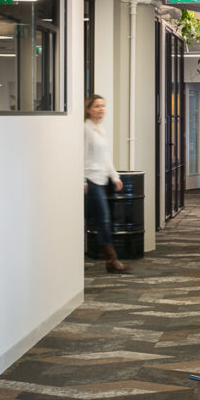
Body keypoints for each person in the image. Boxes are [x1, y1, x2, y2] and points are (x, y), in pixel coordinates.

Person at [84, 94, 127, 273]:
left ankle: (110, 260)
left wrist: (114, 176)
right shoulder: (85, 129)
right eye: (96, 106)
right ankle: (112, 260)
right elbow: (81, 155)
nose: (101, 109)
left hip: (101, 179)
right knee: (103, 219)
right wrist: (81, 179)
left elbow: (105, 156)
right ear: (88, 109)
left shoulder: (101, 128)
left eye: (103, 106)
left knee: (95, 220)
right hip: (90, 180)